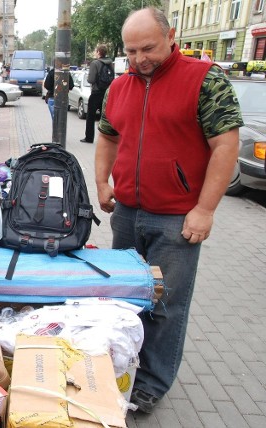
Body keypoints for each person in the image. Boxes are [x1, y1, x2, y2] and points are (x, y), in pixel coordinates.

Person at [94, 8, 242, 413]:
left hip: (177, 218)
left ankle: (151, 384)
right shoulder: (119, 86)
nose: (140, 58)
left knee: (164, 304)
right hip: (127, 212)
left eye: (149, 48)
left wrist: (205, 209)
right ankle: (124, 364)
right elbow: (107, 137)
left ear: (171, 36)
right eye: (131, 50)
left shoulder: (205, 79)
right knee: (125, 298)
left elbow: (226, 145)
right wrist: (103, 182)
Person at [81, 44, 113, 143]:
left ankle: (89, 138)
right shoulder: (110, 62)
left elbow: (91, 80)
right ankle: (108, 138)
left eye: (96, 51)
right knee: (106, 117)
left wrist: (89, 77)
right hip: (107, 92)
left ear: (99, 52)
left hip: (96, 92)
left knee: (90, 116)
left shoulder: (95, 63)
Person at [43, 65, 73, 141]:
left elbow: (46, 85)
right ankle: (61, 135)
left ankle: (55, 136)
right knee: (62, 117)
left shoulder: (51, 73)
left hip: (52, 97)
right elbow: (71, 86)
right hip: (64, 98)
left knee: (55, 118)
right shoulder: (66, 73)